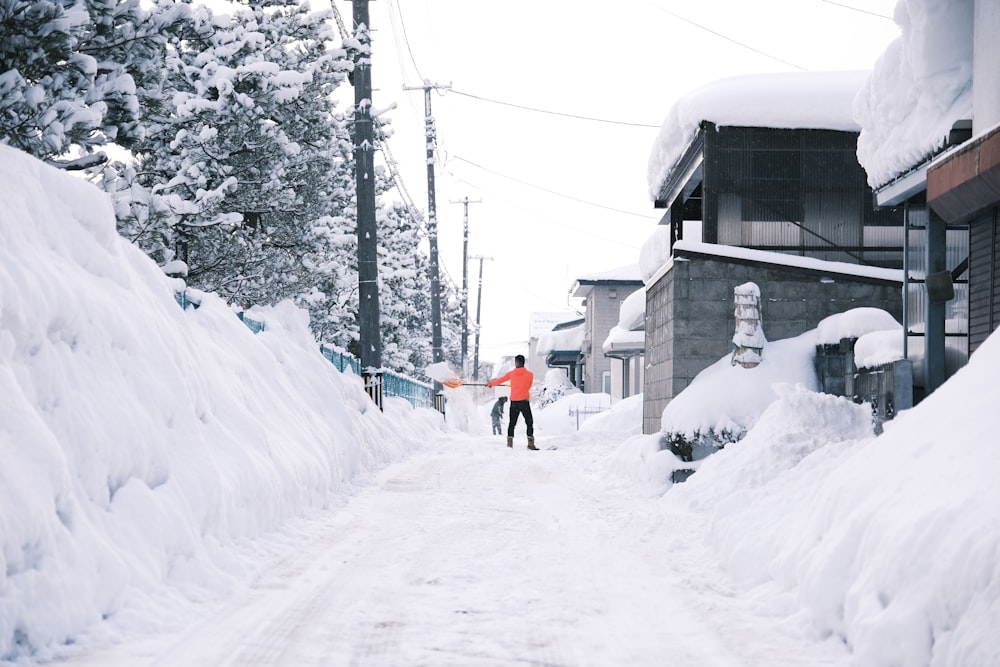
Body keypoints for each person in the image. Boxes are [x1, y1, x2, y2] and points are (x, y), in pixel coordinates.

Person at [486, 354, 537, 450]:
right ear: (523, 363)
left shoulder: (511, 374)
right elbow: (528, 386)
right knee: (529, 422)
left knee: (512, 423)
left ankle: (510, 444)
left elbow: (500, 380)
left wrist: (490, 384)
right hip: (524, 402)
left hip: (514, 402)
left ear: (516, 363)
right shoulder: (530, 374)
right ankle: (530, 443)